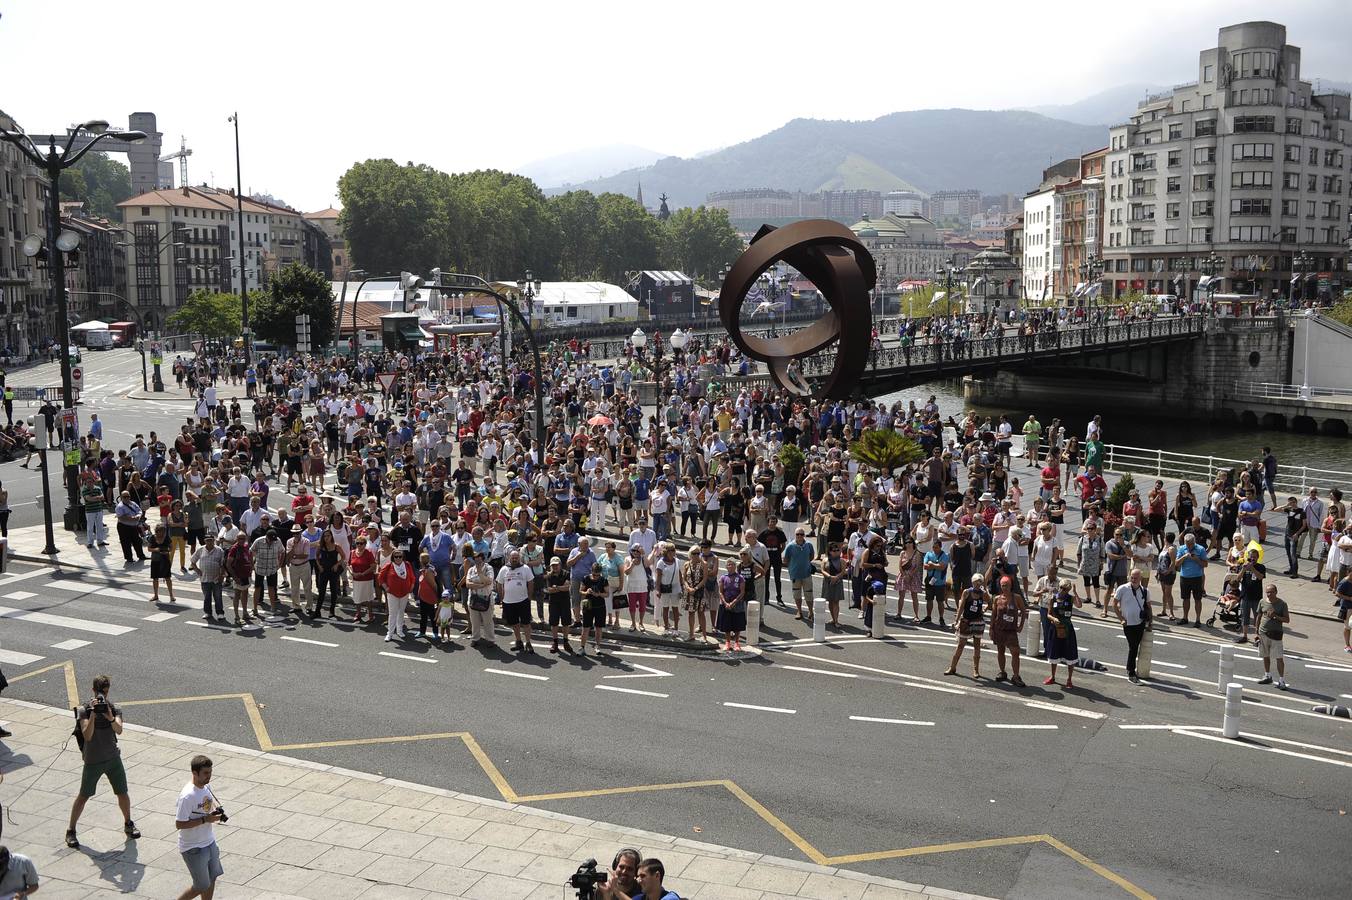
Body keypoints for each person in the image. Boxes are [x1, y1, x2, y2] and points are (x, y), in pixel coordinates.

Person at [66, 674, 141, 849]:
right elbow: (87, 735)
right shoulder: (85, 710)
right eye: (100, 693)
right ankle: (71, 830)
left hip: (113, 758)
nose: (103, 697)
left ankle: (128, 823)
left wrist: (108, 715)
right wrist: (93, 714)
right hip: (93, 761)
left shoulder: (114, 708)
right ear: (93, 691)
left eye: (105, 693)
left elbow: (119, 729)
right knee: (83, 796)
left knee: (122, 793)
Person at [175, 755, 224, 900]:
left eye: (210, 772)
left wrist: (215, 814)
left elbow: (207, 808)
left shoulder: (206, 787)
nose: (209, 776)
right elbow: (180, 824)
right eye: (205, 773)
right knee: (201, 885)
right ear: (195, 773)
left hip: (209, 841)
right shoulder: (187, 796)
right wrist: (205, 819)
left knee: (212, 877)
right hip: (193, 848)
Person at [1113, 568, 1152, 684]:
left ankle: (1131, 669)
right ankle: (1131, 672)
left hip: (1140, 623)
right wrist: (1121, 619)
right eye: (1132, 577)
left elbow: (1149, 607)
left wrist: (1150, 623)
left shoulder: (1145, 591)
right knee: (1133, 646)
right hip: (1128, 624)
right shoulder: (1122, 589)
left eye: (1136, 578)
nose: (1134, 579)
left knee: (1135, 647)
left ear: (1141, 579)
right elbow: (1114, 604)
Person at [944, 575, 987, 678]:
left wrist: (984, 609)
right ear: (972, 582)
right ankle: (952, 667)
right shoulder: (967, 592)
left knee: (977, 646)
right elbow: (961, 606)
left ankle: (976, 670)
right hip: (966, 621)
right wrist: (957, 620)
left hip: (977, 622)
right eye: (976, 581)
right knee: (960, 645)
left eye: (980, 582)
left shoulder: (983, 594)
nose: (978, 583)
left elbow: (990, 602)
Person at [1043, 577, 1083, 687]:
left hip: (1067, 629)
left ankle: (1069, 679)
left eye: (1065, 589)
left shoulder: (1070, 598)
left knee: (1070, 654)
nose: (1062, 590)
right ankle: (1052, 676)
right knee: (1054, 653)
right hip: (1055, 629)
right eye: (1061, 588)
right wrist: (1053, 619)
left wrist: (1075, 593)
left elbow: (1079, 605)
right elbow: (1048, 614)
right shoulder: (1053, 598)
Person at [988, 576, 1027, 686]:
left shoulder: (1017, 598)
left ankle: (1016, 676)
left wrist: (1021, 625)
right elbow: (993, 614)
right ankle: (1002, 672)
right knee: (1000, 651)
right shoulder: (997, 598)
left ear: (1011, 586)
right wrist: (991, 628)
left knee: (1015, 652)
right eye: (1003, 586)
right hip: (999, 629)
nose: (1005, 588)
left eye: (1007, 585)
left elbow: (1024, 612)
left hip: (1011, 630)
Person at [497, 548, 536, 652]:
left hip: (523, 601)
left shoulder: (525, 568)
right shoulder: (504, 569)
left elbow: (531, 582)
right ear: (509, 558)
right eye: (513, 558)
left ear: (519, 558)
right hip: (508, 602)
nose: (514, 559)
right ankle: (518, 641)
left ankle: (528, 643)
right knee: (514, 623)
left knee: (526, 623)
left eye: (516, 558)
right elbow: (499, 583)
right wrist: (501, 598)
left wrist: (529, 597)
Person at [1254, 583, 1290, 689]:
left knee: (1279, 658)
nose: (1269, 594)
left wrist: (1275, 616)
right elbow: (1259, 616)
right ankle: (1267, 675)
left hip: (1276, 635)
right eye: (1267, 592)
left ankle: (1281, 680)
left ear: (1276, 592)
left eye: (1271, 592)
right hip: (1263, 633)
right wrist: (1257, 632)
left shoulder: (1282, 604)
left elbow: (1287, 620)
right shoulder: (1262, 602)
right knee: (1265, 655)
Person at [377, 548, 415, 641]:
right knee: (392, 613)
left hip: (404, 593)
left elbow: (412, 577)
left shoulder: (407, 565)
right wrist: (386, 588)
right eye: (396, 556)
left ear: (403, 557)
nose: (398, 558)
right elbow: (380, 577)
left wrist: (412, 586)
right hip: (392, 593)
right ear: (393, 557)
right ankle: (390, 633)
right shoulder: (389, 566)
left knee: (401, 611)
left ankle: (399, 630)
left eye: (400, 556)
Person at [1174, 531, 1208, 627]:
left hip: (1197, 577)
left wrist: (1197, 559)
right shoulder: (1181, 549)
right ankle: (1185, 617)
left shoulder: (1201, 549)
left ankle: (1198, 619)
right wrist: (1184, 557)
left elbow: (1205, 564)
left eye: (1190, 544)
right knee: (1185, 599)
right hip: (1184, 577)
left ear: (1194, 542)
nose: (1189, 546)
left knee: (1197, 599)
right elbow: (1176, 563)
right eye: (1187, 544)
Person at [189, 533, 226, 622]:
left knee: (218, 597)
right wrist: (197, 570)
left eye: (211, 540)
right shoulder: (200, 549)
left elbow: (223, 565)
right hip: (204, 578)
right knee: (207, 597)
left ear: (213, 540)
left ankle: (220, 613)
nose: (209, 542)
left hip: (216, 578)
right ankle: (207, 612)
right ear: (205, 541)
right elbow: (192, 561)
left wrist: (222, 576)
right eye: (207, 540)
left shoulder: (219, 550)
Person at [716, 556, 748, 652]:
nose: (731, 566)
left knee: (737, 624)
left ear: (735, 566)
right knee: (727, 624)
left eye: (733, 564)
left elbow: (742, 592)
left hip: (737, 603)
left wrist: (734, 602)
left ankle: (737, 642)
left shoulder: (740, 577)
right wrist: (725, 603)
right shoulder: (723, 577)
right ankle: (727, 642)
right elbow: (720, 591)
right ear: (726, 567)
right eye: (729, 564)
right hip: (726, 603)